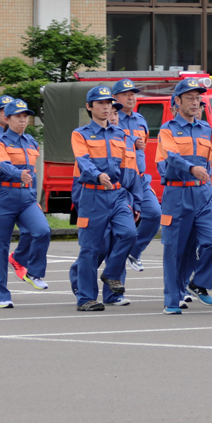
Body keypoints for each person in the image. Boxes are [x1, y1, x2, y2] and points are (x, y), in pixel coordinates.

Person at [156, 78, 212, 315]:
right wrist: (190, 168)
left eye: (198, 98)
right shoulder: (167, 129)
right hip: (177, 193)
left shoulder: (206, 129)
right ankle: (172, 300)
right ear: (178, 101)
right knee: (175, 250)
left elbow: (208, 164)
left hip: (203, 194)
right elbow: (172, 157)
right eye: (190, 98)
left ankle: (198, 282)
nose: (195, 103)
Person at [70, 87, 139, 312]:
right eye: (100, 103)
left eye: (108, 103)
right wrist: (98, 175)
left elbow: (130, 168)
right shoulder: (80, 134)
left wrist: (135, 199)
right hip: (93, 194)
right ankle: (86, 298)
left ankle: (110, 274)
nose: (106, 107)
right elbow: (83, 160)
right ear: (89, 107)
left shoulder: (120, 134)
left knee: (129, 233)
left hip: (118, 194)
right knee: (90, 248)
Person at [0, 99, 52, 308]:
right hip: (3, 196)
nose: (23, 120)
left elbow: (33, 171)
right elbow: (3, 164)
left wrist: (33, 193)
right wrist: (18, 174)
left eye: (26, 116)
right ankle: (1, 293)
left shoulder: (31, 141)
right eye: (18, 116)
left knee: (42, 231)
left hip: (26, 197)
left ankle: (33, 272)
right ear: (7, 119)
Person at [111, 78, 163, 272]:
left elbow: (143, 148)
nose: (131, 97)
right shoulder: (112, 117)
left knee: (155, 214)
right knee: (122, 232)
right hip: (121, 180)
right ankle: (115, 289)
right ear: (115, 97)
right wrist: (131, 141)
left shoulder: (140, 119)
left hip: (139, 178)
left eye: (133, 93)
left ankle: (134, 252)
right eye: (126, 94)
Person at [0, 95, 32, 281]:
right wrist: (14, 172)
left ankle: (18, 259)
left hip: (23, 191)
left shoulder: (26, 138)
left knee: (32, 230)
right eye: (5, 109)